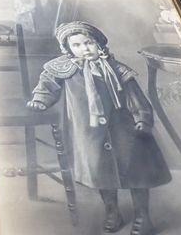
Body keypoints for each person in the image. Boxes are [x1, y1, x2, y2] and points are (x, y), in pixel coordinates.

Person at [27, 21, 170, 235]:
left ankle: (143, 215)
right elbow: (48, 83)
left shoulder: (116, 69)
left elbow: (134, 96)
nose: (84, 49)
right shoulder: (64, 68)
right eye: (77, 45)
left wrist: (142, 117)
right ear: (68, 49)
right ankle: (112, 211)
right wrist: (41, 99)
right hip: (90, 132)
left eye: (88, 43)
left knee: (137, 171)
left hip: (124, 129)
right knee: (100, 171)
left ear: (99, 45)